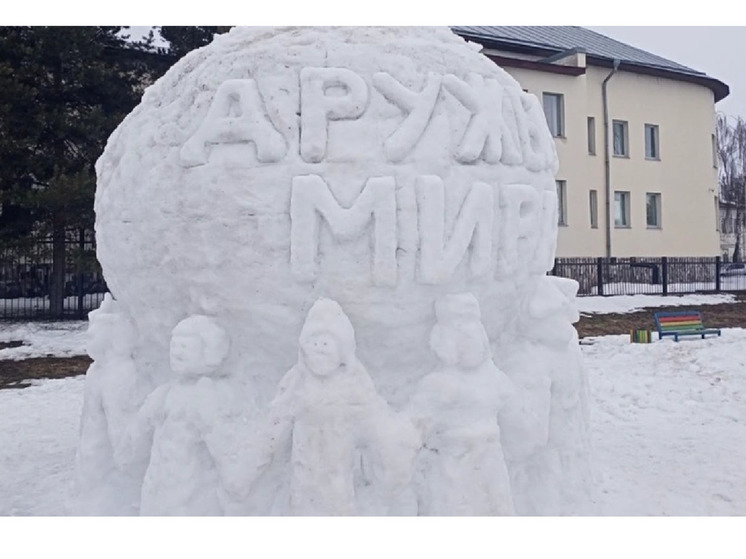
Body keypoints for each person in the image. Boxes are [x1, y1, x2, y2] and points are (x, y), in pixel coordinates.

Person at [254, 298, 419, 515]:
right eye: (314, 343)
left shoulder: (353, 382)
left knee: (336, 504)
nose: (319, 349)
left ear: (343, 351)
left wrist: (392, 450)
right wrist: (260, 452)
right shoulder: (297, 380)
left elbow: (374, 420)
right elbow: (277, 419)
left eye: (326, 344)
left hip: (337, 469)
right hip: (304, 467)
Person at [408, 293, 518, 515]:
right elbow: (415, 424)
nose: (470, 346)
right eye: (462, 340)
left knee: (495, 507)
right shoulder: (438, 383)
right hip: (453, 464)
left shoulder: (491, 376)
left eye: (475, 339)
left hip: (490, 461)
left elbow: (512, 405)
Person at [116, 314, 237, 515]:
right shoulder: (164, 393)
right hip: (158, 486)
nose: (177, 352)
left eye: (185, 347)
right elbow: (136, 437)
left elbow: (224, 450)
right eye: (175, 345)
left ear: (208, 353)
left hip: (192, 492)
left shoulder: (207, 396)